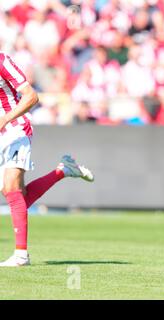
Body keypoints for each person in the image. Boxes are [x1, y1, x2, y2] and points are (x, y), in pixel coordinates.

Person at [0, 52, 94, 267]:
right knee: (15, 195)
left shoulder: (3, 62)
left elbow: (32, 96)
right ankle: (63, 171)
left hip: (15, 128)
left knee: (12, 187)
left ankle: (21, 255)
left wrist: (5, 118)